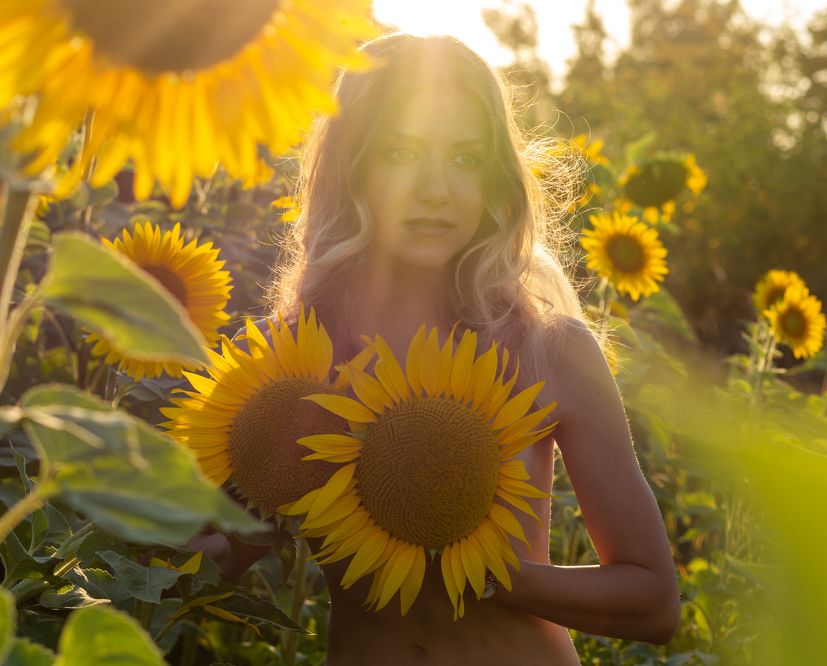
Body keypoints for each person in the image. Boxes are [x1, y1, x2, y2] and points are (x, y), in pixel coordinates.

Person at [192, 33, 680, 665]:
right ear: (354, 166)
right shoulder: (299, 359)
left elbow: (652, 602)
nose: (435, 189)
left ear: (495, 177)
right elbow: (224, 552)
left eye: (466, 159)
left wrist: (470, 565)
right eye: (400, 151)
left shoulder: (548, 349)